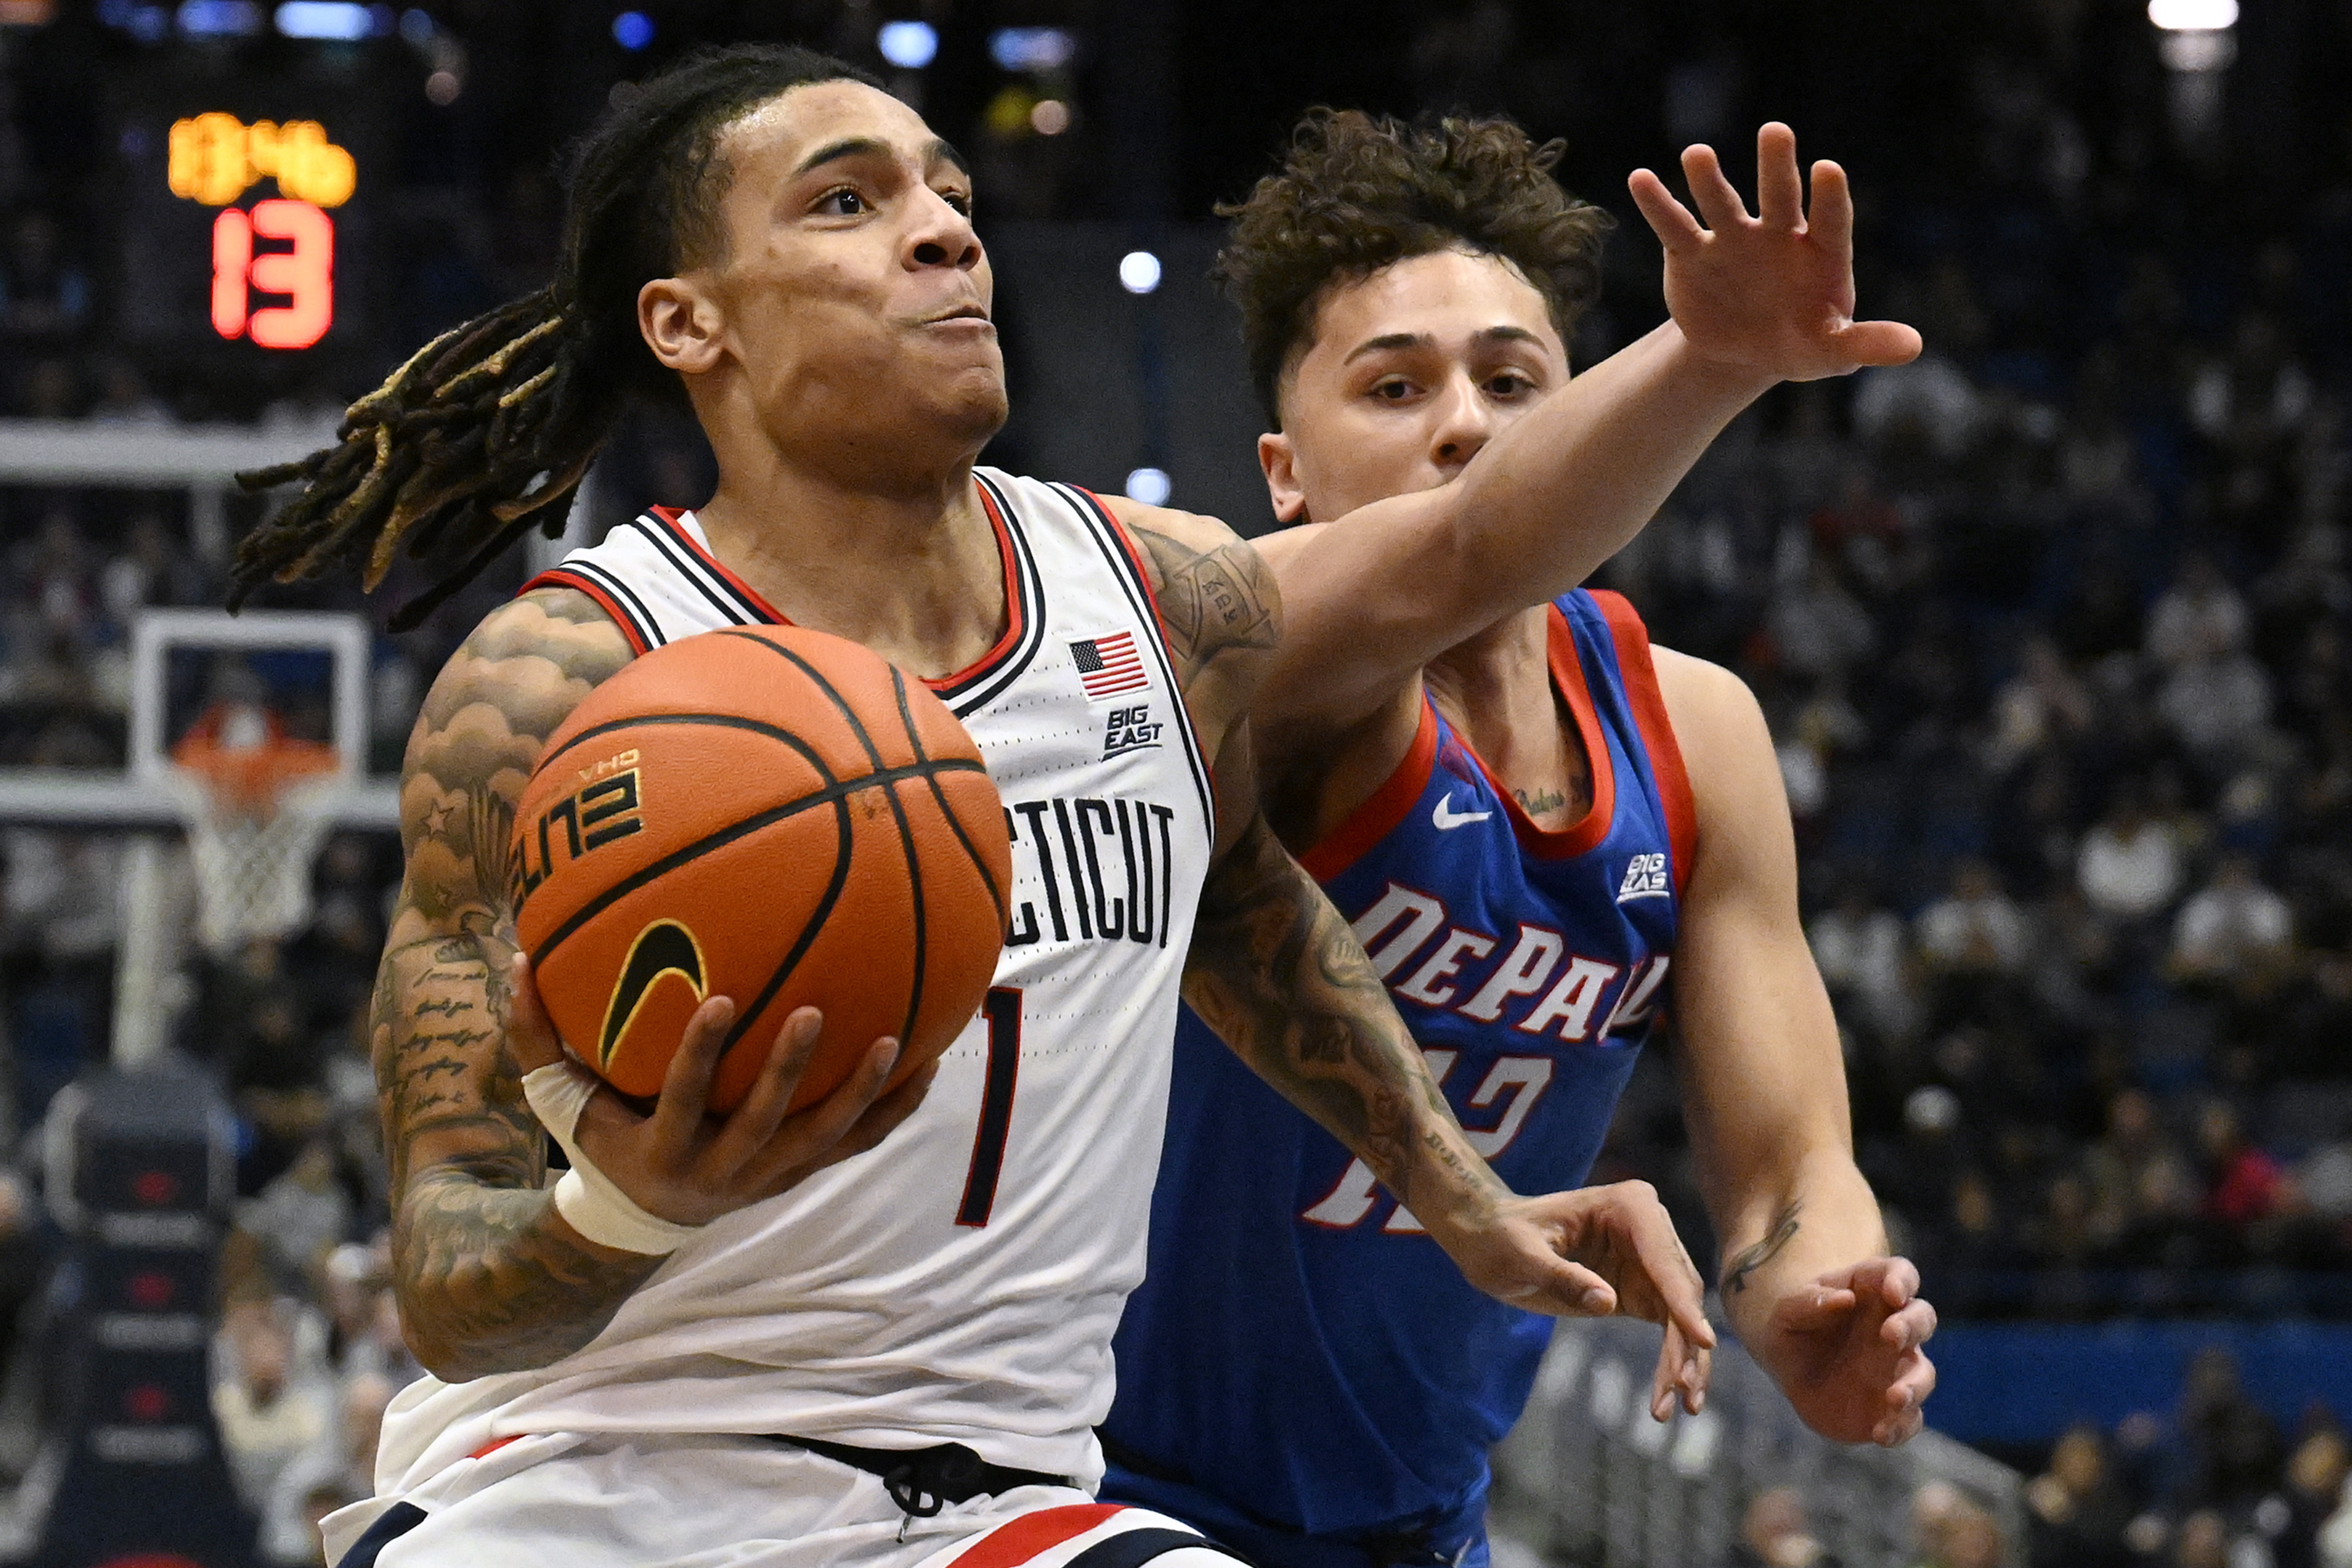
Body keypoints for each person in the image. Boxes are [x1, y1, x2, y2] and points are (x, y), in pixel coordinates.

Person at [231, 47, 1710, 1568]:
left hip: (998, 1506)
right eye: (846, 204)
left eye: (948, 192)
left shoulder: (1151, 596)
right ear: (690, 321)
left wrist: (1465, 1199)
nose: (945, 231)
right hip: (594, 1481)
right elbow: (446, 1265)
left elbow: (1240, 889)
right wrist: (619, 1210)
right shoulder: (560, 681)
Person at [1100, 109, 1938, 1566]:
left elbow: (1793, 1157)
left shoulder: (1697, 734)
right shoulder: (1246, 667)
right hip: (1119, 1490)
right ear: (1284, 469)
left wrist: (1815, 1296)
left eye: (1513, 380)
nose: (1467, 425)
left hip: (1427, 1523)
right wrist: (1715, 360)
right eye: (1395, 386)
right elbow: (1484, 539)